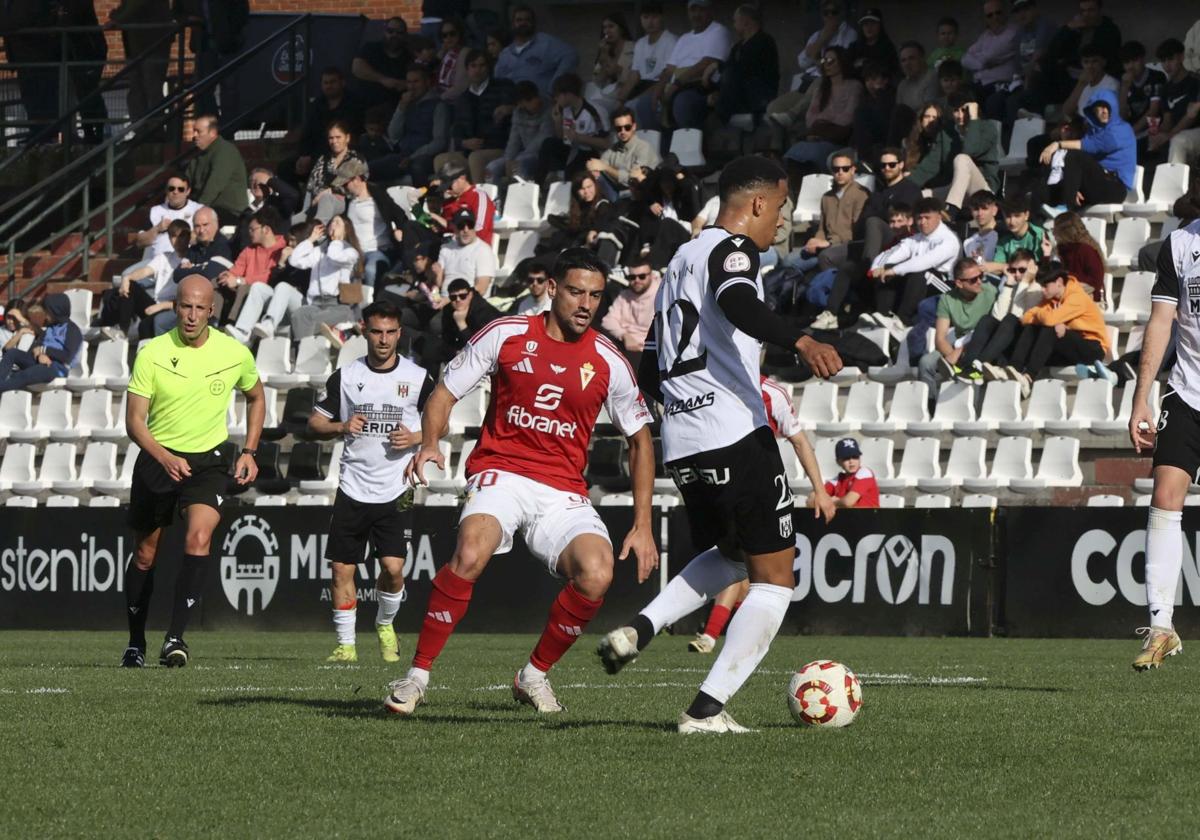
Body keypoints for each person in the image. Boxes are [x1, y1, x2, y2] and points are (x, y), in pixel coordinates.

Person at [597, 156, 842, 734]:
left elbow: (654, 359)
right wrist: (801, 338)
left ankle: (642, 628)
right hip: (733, 431)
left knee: (733, 555)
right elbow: (740, 303)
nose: (780, 221)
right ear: (756, 203)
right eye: (779, 207)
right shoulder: (733, 251)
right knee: (776, 580)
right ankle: (706, 711)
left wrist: (679, 407)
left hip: (683, 438)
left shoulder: (680, 258)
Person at [384, 248, 658, 716]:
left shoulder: (608, 359)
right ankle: (416, 676)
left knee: (598, 574)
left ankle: (533, 675)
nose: (585, 304)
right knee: (471, 552)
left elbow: (641, 440)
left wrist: (643, 523)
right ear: (551, 289)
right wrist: (430, 442)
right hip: (502, 473)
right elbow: (444, 394)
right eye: (575, 291)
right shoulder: (507, 334)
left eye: (595, 295)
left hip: (564, 490)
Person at [615, 375, 837, 657]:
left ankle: (662, 626)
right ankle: (716, 667)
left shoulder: (706, 383)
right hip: (752, 484)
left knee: (735, 563)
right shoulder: (768, 391)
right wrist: (820, 489)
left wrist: (820, 489)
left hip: (696, 470)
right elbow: (800, 441)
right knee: (751, 570)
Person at [120, 275, 265, 668]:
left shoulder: (234, 353)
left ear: (212, 311)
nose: (192, 315)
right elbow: (134, 422)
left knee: (199, 537)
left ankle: (175, 639)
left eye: (201, 307)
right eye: (186, 306)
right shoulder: (151, 353)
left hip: (209, 461)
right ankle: (135, 643)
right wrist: (164, 457)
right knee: (146, 555)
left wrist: (250, 450)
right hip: (157, 458)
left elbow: (256, 396)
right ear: (174, 306)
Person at [308, 300, 436, 663]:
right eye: (376, 332)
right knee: (340, 569)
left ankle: (384, 623)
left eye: (390, 332)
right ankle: (347, 646)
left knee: (393, 569)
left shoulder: (416, 377)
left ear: (399, 334)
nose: (383, 339)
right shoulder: (347, 376)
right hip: (353, 485)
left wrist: (415, 439)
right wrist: (340, 426)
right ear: (365, 331)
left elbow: (439, 420)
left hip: (396, 487)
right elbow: (315, 423)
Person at [1127, 217, 1200, 671]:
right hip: (1189, 390)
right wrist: (1141, 398)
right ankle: (1161, 627)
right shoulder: (1180, 244)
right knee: (1165, 493)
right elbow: (1160, 322)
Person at [1005, 267, 1110, 394]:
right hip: (1070, 347)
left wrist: (1042, 314)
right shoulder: (1051, 299)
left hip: (1092, 348)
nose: (1042, 290)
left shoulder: (1077, 297)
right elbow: (1025, 318)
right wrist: (1045, 316)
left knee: (1050, 329)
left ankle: (1029, 377)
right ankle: (1014, 370)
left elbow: (1049, 319)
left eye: (1045, 286)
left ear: (1059, 282)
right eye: (1041, 286)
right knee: (1031, 328)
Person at [256, 216, 361, 341]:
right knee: (298, 315)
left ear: (346, 230)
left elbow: (335, 256)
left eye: (338, 223)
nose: (333, 225)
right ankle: (301, 351)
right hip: (315, 303)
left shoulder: (351, 252)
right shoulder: (319, 251)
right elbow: (295, 260)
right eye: (332, 222)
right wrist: (310, 240)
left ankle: (343, 333)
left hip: (337, 305)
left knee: (310, 318)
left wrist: (337, 240)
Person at [867, 196, 961, 329]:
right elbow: (892, 252)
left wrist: (894, 270)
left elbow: (925, 262)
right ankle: (883, 315)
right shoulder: (916, 238)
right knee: (888, 269)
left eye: (927, 218)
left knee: (919, 272)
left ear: (939, 216)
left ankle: (903, 320)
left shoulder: (948, 240)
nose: (922, 222)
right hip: (922, 283)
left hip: (945, 287)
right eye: (919, 218)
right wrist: (878, 267)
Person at [638, 0, 732, 132]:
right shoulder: (684, 38)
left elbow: (705, 63)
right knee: (645, 104)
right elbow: (670, 68)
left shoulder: (718, 31)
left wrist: (676, 84)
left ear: (710, 11)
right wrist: (659, 88)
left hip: (701, 85)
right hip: (676, 85)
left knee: (683, 103)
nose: (696, 14)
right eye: (693, 10)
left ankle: (689, 149)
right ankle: (661, 149)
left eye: (701, 10)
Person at [1036, 89, 1134, 216]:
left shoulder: (1121, 129)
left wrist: (1057, 144)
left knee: (1073, 155)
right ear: (1093, 111)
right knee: (1041, 191)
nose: (1104, 111)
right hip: (1095, 182)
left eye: (1107, 107)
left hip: (1115, 187)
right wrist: (1074, 187)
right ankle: (1036, 228)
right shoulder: (1093, 132)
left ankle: (1066, 207)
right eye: (1099, 108)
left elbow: (1090, 146)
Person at [957, 248, 1044, 380]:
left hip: (1020, 345)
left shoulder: (1036, 289)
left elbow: (1018, 317)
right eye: (1013, 270)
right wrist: (1009, 284)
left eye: (1022, 270)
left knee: (1010, 319)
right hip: (1002, 342)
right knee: (987, 320)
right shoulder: (1013, 285)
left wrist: (1025, 282)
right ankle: (967, 365)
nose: (1017, 274)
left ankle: (979, 365)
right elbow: (997, 316)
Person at [917, 258, 999, 393]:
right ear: (959, 283)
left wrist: (961, 354)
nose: (979, 281)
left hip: (983, 343)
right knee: (925, 363)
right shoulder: (947, 299)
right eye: (973, 280)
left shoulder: (990, 292)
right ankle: (930, 405)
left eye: (980, 276)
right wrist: (955, 357)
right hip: (959, 342)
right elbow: (940, 339)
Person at [782, 46, 862, 180]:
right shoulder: (822, 88)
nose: (827, 64)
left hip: (836, 138)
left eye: (831, 60)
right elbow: (810, 117)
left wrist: (823, 122)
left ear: (842, 62)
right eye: (824, 60)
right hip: (817, 134)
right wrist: (822, 123)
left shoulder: (854, 86)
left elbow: (847, 117)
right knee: (793, 155)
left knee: (814, 156)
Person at [439, 51, 515, 187]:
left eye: (482, 66)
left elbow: (511, 122)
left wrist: (509, 108)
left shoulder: (503, 89)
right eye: (473, 66)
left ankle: (481, 204)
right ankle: (453, 204)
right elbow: (457, 128)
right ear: (467, 69)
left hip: (499, 147)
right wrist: (464, 143)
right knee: (441, 160)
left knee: (476, 158)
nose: (477, 70)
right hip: (470, 149)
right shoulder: (463, 98)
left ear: (488, 68)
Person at [336, 158, 411, 289]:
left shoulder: (378, 196)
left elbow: (399, 216)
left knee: (370, 270)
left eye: (345, 184)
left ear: (357, 180)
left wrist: (400, 231)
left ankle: (371, 304)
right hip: (355, 251)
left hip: (378, 250)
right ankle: (352, 305)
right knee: (346, 272)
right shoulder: (348, 201)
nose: (344, 188)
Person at [377, 65, 452, 187]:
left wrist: (412, 157)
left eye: (416, 82)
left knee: (417, 167)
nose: (411, 87)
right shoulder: (407, 104)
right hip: (403, 154)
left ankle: (422, 205)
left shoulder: (438, 106)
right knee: (369, 169)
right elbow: (393, 135)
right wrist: (401, 108)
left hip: (426, 156)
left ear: (427, 82)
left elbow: (439, 141)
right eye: (409, 82)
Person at [219, 208, 288, 343]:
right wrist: (229, 275)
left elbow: (269, 277)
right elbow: (237, 269)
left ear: (266, 229)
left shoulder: (282, 248)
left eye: (252, 229)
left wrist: (240, 280)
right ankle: (212, 324)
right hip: (250, 288)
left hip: (272, 296)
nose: (249, 233)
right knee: (217, 282)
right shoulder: (249, 250)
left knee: (248, 288)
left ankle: (236, 326)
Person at [115, 220, 190, 339]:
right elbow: (145, 271)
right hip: (156, 302)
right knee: (130, 286)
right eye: (173, 237)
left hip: (173, 307)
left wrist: (160, 307)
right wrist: (127, 278)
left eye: (181, 236)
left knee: (144, 326)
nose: (177, 241)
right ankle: (122, 331)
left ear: (188, 237)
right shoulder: (165, 257)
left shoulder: (192, 260)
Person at [710, 4, 779, 124]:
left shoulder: (764, 41)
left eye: (735, 21)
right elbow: (729, 67)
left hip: (760, 96)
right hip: (740, 94)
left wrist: (717, 65)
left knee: (730, 73)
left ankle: (722, 115)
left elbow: (745, 68)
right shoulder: (738, 47)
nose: (733, 25)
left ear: (745, 22)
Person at [0, 294, 82, 393]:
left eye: (48, 313)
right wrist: (40, 354)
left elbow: (67, 356)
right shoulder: (50, 327)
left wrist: (44, 351)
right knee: (12, 353)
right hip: (39, 361)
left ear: (57, 311)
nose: (46, 316)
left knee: (23, 375)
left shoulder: (72, 330)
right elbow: (37, 345)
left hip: (55, 368)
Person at [493, 4, 578, 97]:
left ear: (533, 23)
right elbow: (498, 83)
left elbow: (571, 55)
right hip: (514, 107)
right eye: (519, 20)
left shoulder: (546, 42)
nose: (523, 23)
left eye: (527, 20)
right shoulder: (505, 54)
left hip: (543, 106)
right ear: (512, 24)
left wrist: (555, 86)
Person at [941, 96, 1001, 213]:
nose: (960, 115)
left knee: (962, 158)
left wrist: (974, 119)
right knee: (924, 194)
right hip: (958, 188)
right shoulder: (950, 131)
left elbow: (970, 150)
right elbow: (933, 164)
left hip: (984, 189)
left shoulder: (987, 128)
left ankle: (952, 211)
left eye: (964, 110)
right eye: (956, 111)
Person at [185, 115, 248, 227]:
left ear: (213, 133)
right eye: (194, 131)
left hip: (228, 210)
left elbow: (214, 186)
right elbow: (186, 181)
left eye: (198, 131)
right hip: (206, 208)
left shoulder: (225, 151)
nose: (194, 135)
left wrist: (196, 211)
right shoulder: (199, 155)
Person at [586, 108, 660, 202]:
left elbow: (633, 180)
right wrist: (594, 168)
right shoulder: (613, 149)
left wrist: (605, 167)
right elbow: (599, 164)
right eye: (618, 128)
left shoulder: (644, 148)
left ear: (634, 127)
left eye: (627, 127)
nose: (623, 131)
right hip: (620, 195)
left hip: (644, 196)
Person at [303, 120, 369, 224]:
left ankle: (317, 232)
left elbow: (339, 186)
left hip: (344, 202)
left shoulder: (355, 159)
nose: (334, 141)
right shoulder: (323, 159)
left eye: (338, 137)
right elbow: (311, 186)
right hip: (316, 204)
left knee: (326, 200)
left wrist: (323, 195)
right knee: (293, 224)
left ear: (347, 138)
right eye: (331, 138)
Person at [493, 81, 555, 183]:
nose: (535, 101)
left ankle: (521, 197)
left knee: (518, 165)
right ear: (520, 103)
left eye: (535, 96)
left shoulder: (549, 109)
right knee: (492, 168)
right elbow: (514, 140)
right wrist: (509, 159)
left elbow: (544, 138)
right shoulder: (517, 113)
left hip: (540, 156)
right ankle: (495, 198)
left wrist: (516, 160)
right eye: (529, 100)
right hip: (522, 154)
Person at [617, 2, 678, 105]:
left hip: (660, 85)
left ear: (661, 18)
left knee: (632, 107)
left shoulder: (671, 41)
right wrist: (620, 100)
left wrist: (637, 101)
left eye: (654, 17)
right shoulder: (640, 43)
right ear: (640, 19)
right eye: (646, 17)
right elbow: (634, 75)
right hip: (642, 84)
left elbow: (668, 73)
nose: (650, 22)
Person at [600, 257, 660, 363]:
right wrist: (624, 335)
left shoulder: (661, 294)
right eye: (632, 277)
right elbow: (607, 321)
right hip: (624, 343)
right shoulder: (625, 295)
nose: (636, 281)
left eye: (642, 277)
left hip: (649, 350)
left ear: (651, 275)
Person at [1151, 39, 1200, 165]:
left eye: (1171, 59)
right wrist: (1157, 134)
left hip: (1196, 131)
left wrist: (1169, 135)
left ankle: (1173, 184)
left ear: (1181, 57)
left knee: (1178, 141)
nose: (1167, 65)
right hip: (1178, 133)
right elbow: (1168, 120)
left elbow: (1191, 116)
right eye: (1163, 61)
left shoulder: (1196, 81)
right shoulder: (1166, 88)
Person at [962, 0, 1019, 105]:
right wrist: (982, 64)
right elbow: (965, 59)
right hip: (980, 84)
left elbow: (990, 57)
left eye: (998, 13)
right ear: (986, 19)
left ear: (1005, 13)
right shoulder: (985, 35)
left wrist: (978, 58)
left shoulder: (1013, 32)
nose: (995, 17)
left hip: (1001, 84)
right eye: (990, 15)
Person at [352, 17, 412, 112]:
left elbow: (417, 81)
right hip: (366, 107)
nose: (394, 35)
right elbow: (357, 68)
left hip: (395, 110)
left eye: (399, 32)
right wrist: (383, 79)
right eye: (390, 31)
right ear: (384, 32)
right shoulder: (371, 48)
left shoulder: (409, 57)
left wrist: (404, 84)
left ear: (405, 35)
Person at [431, 160, 497, 246]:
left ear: (462, 178)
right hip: (448, 245)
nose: (447, 190)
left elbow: (480, 230)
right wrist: (439, 227)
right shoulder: (449, 201)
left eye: (449, 186)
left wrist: (447, 225)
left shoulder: (478, 196)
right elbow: (445, 227)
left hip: (473, 249)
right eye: (444, 187)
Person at [136, 175, 202, 259]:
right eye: (171, 188)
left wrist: (184, 233)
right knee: (127, 272)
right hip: (155, 263)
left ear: (188, 191)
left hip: (186, 263)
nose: (175, 192)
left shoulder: (199, 210)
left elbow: (206, 240)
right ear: (166, 190)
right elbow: (139, 243)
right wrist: (157, 229)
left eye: (180, 189)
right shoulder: (154, 211)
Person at [439, 209, 497, 296]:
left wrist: (450, 300)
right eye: (461, 226)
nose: (466, 230)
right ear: (454, 227)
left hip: (469, 304)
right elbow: (439, 284)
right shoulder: (445, 248)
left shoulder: (483, 250)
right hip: (443, 300)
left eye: (470, 225)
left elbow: (481, 288)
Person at [1050, 211, 1106, 300]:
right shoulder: (1060, 249)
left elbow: (1096, 283)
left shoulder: (1086, 250)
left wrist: (1066, 274)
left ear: (1066, 232)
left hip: (1088, 298)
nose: (1053, 234)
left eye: (1055, 230)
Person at [816, 437, 881, 508]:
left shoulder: (865, 473)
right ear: (838, 461)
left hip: (869, 518)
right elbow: (811, 500)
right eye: (846, 458)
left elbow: (848, 502)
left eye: (855, 457)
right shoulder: (837, 480)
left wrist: (832, 502)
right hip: (850, 518)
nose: (851, 461)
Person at [1062, 44, 1120, 120]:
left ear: (1103, 62)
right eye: (1086, 62)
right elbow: (1067, 111)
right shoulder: (1082, 83)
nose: (1090, 66)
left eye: (1094, 61)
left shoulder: (1111, 84)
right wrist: (1081, 85)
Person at [846, 7, 899, 79]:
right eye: (865, 24)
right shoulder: (854, 47)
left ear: (880, 25)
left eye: (873, 23)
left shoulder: (888, 48)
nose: (869, 27)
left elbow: (891, 71)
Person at [435, 17, 469, 100]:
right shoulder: (445, 52)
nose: (448, 38)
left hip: (453, 100)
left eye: (452, 34)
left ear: (459, 34)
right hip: (439, 94)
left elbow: (460, 86)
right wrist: (442, 51)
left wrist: (439, 99)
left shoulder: (465, 52)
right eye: (444, 35)